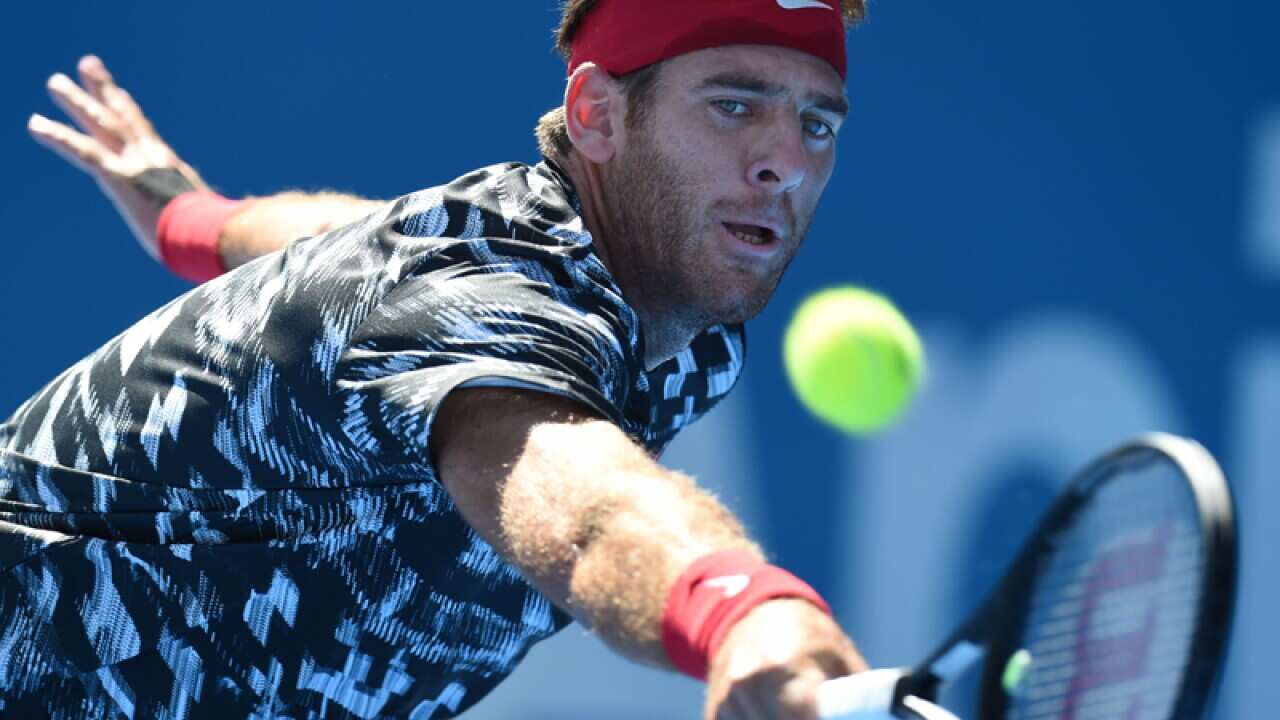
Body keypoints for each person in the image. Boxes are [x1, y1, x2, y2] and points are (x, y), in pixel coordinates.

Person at [6, 1, 869, 717]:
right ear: (597, 116)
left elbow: (340, 241)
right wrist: (739, 610)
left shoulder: (670, 326)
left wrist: (188, 219)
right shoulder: (487, 299)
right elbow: (586, 510)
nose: (788, 164)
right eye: (733, 106)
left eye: (817, 123)